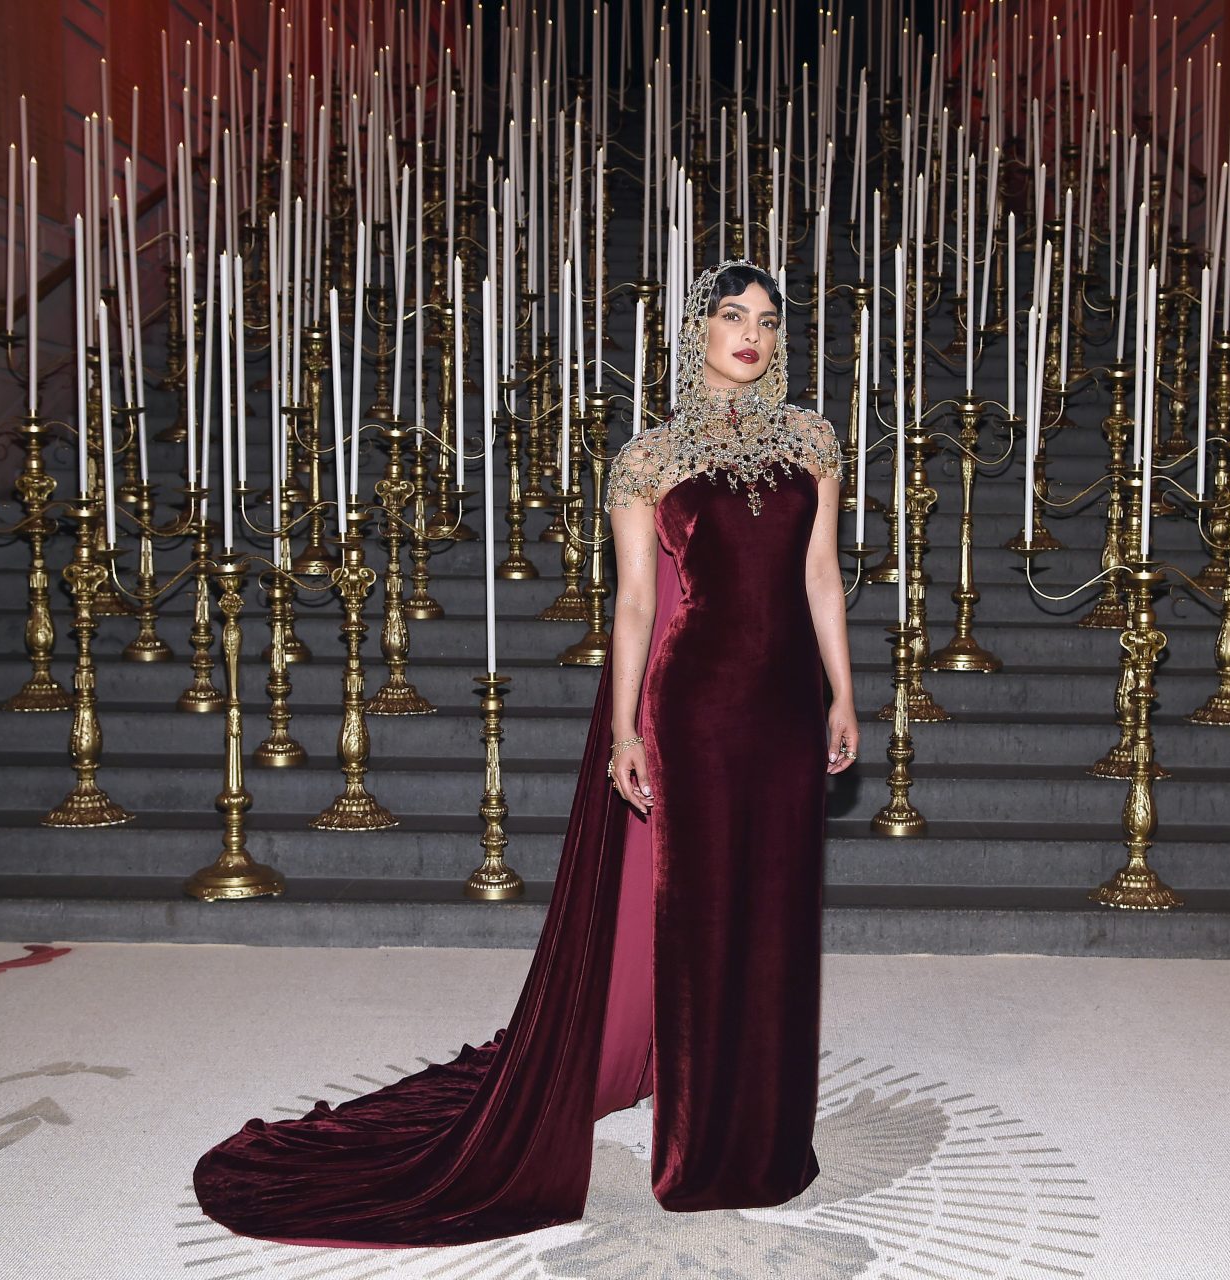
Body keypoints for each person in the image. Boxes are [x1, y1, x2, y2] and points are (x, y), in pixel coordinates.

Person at [190, 259, 859, 1247]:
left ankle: (767, 1138)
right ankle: (702, 1151)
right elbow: (635, 603)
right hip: (698, 704)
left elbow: (820, 579)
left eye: (766, 319)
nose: (750, 334)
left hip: (787, 707)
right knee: (706, 914)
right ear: (697, 333)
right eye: (731, 316)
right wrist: (629, 726)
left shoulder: (812, 439)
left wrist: (844, 691)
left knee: (777, 915)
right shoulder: (649, 457)